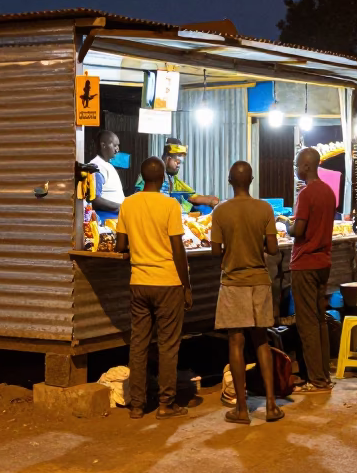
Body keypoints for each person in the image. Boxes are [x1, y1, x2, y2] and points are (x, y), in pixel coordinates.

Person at [116, 157, 193, 420]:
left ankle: (137, 405)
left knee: (138, 344)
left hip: (139, 282)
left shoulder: (128, 203)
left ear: (142, 177)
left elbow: (120, 245)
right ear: (162, 179)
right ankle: (165, 403)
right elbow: (177, 249)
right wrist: (187, 285)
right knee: (168, 346)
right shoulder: (170, 205)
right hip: (168, 283)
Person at [209, 161, 284, 424]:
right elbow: (273, 249)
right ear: (251, 180)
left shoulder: (220, 211)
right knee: (261, 341)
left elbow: (215, 251)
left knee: (236, 342)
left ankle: (242, 409)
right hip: (260, 281)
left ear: (230, 180)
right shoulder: (264, 208)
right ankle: (272, 405)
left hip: (233, 283)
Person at [286, 147, 337, 393]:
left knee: (307, 324)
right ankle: (324, 376)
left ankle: (316, 380)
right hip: (323, 264)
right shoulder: (328, 192)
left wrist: (286, 225)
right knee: (319, 321)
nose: (296, 169)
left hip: (305, 264)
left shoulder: (306, 194)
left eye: (297, 165)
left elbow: (299, 231)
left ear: (306, 166)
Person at [134, 137, 220, 214]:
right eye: (177, 161)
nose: (178, 165)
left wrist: (211, 200)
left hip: (172, 217)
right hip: (154, 217)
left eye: (181, 162)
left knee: (204, 209)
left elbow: (192, 197)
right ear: (167, 158)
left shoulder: (174, 180)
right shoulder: (151, 174)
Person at [88, 130, 126, 222]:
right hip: (105, 220)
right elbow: (95, 200)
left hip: (114, 219)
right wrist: (122, 206)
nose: (118, 149)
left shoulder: (106, 165)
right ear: (103, 145)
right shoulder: (97, 167)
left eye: (118, 145)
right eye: (115, 145)